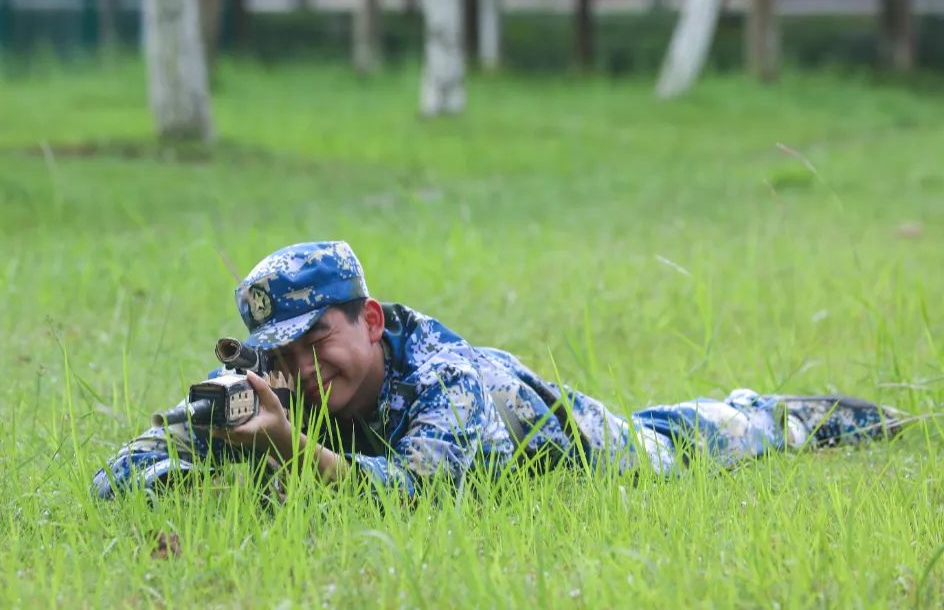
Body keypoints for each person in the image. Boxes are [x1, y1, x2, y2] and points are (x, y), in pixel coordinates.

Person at [93, 240, 909, 499]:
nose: (303, 372)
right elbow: (120, 473)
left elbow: (418, 495)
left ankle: (812, 416)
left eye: (320, 344)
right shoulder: (270, 386)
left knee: (708, 434)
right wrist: (216, 479)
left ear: (370, 322)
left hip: (597, 453)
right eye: (284, 355)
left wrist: (287, 456)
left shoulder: (454, 382)